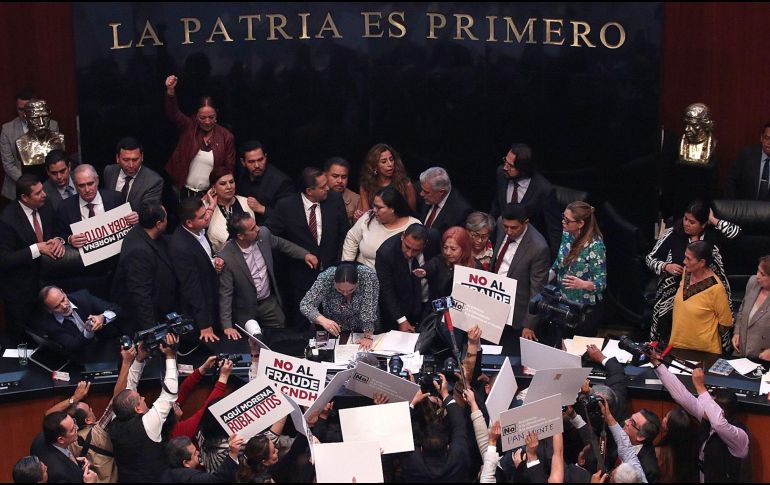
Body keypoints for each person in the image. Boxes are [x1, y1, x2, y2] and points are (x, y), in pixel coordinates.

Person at [646, 200, 740, 342]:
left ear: (703, 224)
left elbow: (737, 234)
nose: (686, 224)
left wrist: (713, 220)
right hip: (673, 295)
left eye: (692, 222)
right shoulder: (672, 233)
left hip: (707, 293)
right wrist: (666, 266)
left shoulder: (712, 236)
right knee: (666, 336)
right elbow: (650, 258)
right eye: (685, 219)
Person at [266, 167, 349, 328]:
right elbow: (268, 234)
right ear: (309, 191)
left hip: (333, 276)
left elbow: (344, 234)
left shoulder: (335, 199)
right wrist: (298, 253)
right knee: (303, 326)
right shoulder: (286, 206)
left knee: (333, 325)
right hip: (301, 279)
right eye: (322, 186)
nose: (328, 188)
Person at [218, 212, 317, 340]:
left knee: (280, 333)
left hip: (268, 302)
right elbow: (225, 293)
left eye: (256, 225)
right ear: (240, 236)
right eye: (252, 229)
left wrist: (304, 254)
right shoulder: (227, 257)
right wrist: (227, 326)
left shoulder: (263, 234)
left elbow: (281, 244)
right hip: (245, 309)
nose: (257, 229)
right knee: (252, 342)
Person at [652, 358, 751, 482]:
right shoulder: (707, 418)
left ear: (721, 412)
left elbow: (719, 424)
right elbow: (681, 395)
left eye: (710, 404)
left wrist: (700, 386)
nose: (704, 405)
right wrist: (657, 364)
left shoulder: (739, 437)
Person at [0, 174, 65, 336]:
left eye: (42, 190)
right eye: (38, 193)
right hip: (21, 292)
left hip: (49, 284)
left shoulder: (45, 204)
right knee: (24, 338)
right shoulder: (7, 219)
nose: (44, 194)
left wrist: (58, 240)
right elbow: (5, 259)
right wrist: (37, 248)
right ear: (24, 197)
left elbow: (56, 230)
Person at [109, 334, 179, 483]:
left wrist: (139, 360)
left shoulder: (115, 421)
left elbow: (128, 389)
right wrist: (170, 356)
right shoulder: (148, 424)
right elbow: (169, 394)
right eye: (140, 399)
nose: (144, 398)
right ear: (138, 409)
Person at [163, 75, 235, 198]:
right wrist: (170, 91)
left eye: (211, 117)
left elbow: (228, 169)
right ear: (196, 116)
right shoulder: (189, 127)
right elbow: (173, 113)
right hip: (182, 191)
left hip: (209, 195)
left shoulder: (226, 137)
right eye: (202, 117)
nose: (207, 121)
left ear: (217, 114)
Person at [111, 201, 177, 334]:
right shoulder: (139, 252)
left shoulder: (142, 232)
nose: (167, 221)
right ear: (158, 224)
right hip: (143, 321)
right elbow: (141, 296)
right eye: (165, 218)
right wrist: (153, 332)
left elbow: (167, 241)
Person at [491, 204, 550, 351]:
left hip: (516, 311)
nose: (509, 231)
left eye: (514, 228)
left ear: (526, 223)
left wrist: (529, 325)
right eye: (506, 227)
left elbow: (538, 290)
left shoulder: (538, 247)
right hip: (493, 303)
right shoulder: (500, 223)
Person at [169, 197, 222, 342]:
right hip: (199, 316)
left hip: (213, 300)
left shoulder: (199, 230)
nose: (208, 217)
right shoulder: (181, 247)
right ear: (189, 223)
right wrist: (205, 324)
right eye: (202, 216)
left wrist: (214, 260)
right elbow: (192, 288)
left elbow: (205, 256)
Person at [551, 201, 607, 336]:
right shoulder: (567, 234)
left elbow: (601, 284)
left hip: (584, 309)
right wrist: (546, 276)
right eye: (563, 217)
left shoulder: (595, 246)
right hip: (564, 302)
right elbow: (559, 262)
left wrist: (582, 284)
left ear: (580, 223)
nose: (563, 222)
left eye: (567, 220)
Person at [490, 143, 560, 250]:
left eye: (511, 166)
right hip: (501, 241)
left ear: (523, 169)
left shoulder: (544, 190)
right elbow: (496, 207)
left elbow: (554, 230)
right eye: (505, 161)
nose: (505, 167)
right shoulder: (501, 174)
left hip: (527, 248)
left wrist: (555, 259)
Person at [669, 240, 733, 354]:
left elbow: (725, 322)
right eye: (685, 257)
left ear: (702, 262)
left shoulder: (716, 288)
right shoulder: (687, 272)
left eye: (688, 259)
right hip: (677, 345)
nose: (684, 261)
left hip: (704, 351)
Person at [300, 263, 379, 350]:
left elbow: (368, 309)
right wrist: (323, 321)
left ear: (357, 283)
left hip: (361, 328)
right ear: (334, 282)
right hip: (334, 328)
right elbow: (306, 304)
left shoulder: (368, 277)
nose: (345, 294)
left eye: (351, 290)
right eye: (340, 290)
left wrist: (367, 336)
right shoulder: (326, 277)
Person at [56, 164, 138, 248]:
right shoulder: (65, 207)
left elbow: (130, 228)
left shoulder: (116, 198)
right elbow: (59, 235)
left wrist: (134, 219)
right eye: (81, 185)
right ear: (76, 186)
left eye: (90, 184)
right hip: (84, 254)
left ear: (97, 180)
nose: (87, 190)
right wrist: (70, 239)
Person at [375, 223, 437, 333]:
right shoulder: (385, 253)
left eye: (416, 250)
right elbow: (387, 290)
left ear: (425, 244)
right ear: (403, 237)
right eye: (407, 247)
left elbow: (438, 261)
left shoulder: (434, 239)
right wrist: (401, 320)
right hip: (397, 310)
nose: (409, 253)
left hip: (426, 306)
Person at [342, 186, 420, 269]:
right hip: (362, 273)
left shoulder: (413, 226)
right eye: (374, 206)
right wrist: (346, 266)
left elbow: (420, 258)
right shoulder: (368, 217)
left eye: (379, 207)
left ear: (393, 209)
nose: (374, 210)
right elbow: (352, 238)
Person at [2, 90, 59, 201]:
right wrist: (30, 184)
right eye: (21, 109)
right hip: (18, 189)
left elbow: (55, 156)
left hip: (48, 185)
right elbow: (8, 164)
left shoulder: (52, 125)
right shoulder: (7, 130)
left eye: (28, 109)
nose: (25, 114)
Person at [35, 286, 117, 354]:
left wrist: (102, 317)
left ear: (63, 292)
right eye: (57, 307)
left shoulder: (83, 297)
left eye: (63, 299)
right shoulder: (49, 325)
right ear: (49, 310)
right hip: (83, 355)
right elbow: (72, 345)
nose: (64, 306)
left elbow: (116, 309)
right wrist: (88, 330)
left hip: (109, 342)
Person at [598, 400, 659, 483]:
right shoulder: (622, 433)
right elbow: (624, 447)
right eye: (630, 418)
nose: (626, 421)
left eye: (632, 422)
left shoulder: (649, 470)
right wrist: (608, 416)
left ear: (641, 437)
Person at [235, 140, 294, 225]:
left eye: (260, 160)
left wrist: (262, 209)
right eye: (251, 162)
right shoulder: (240, 174)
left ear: (265, 157)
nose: (257, 165)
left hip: (270, 228)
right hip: (244, 225)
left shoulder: (281, 182)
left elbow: (289, 216)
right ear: (243, 162)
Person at [415, 226, 480, 301]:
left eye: (453, 249)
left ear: (464, 248)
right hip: (437, 306)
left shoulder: (476, 267)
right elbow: (430, 266)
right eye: (445, 247)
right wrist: (424, 271)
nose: (447, 252)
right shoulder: (439, 260)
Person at [355, 143, 417, 220]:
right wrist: (360, 215)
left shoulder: (405, 184)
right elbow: (367, 214)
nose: (390, 164)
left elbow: (412, 214)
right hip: (376, 224)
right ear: (375, 166)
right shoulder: (366, 185)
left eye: (391, 159)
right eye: (384, 161)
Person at [102, 137, 163, 208]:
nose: (131, 165)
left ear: (142, 157)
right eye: (126, 160)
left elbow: (148, 211)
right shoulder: (109, 171)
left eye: (135, 160)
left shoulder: (154, 181)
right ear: (117, 158)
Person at [206, 166, 254, 254]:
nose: (229, 187)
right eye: (223, 184)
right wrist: (212, 205)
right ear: (213, 188)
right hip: (222, 258)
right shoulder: (206, 208)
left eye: (231, 182)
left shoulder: (246, 203)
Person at [31, 411, 88, 483]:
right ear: (61, 440)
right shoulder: (60, 475)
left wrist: (77, 463)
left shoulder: (41, 437)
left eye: (74, 422)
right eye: (72, 429)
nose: (77, 427)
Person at [162, 434, 243, 483]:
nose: (198, 453)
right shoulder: (188, 477)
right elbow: (218, 480)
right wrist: (233, 453)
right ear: (186, 463)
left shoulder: (169, 471)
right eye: (194, 454)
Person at [418, 166, 473, 237]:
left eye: (426, 192)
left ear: (441, 192)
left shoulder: (460, 212)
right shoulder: (427, 190)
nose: (421, 194)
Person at [733, 255, 770, 359]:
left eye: (762, 274)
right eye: (758, 270)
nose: (757, 276)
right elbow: (742, 309)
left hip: (762, 357)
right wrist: (737, 332)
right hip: (741, 352)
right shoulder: (753, 282)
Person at [14, 99, 65, 168]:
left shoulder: (60, 139)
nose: (41, 123)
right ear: (26, 119)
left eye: (45, 117)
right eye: (35, 118)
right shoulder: (20, 143)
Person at [725, 122, 770, 200]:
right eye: (767, 138)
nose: (769, 142)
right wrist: (734, 205)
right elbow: (730, 181)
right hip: (744, 206)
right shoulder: (747, 155)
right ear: (761, 138)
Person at [655, 406, 701, 483]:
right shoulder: (692, 448)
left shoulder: (660, 452)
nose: (664, 419)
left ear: (670, 426)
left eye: (666, 417)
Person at [679, 102, 716, 166]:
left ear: (705, 125)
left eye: (693, 125)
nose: (686, 129)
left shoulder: (713, 144)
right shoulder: (680, 142)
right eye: (686, 124)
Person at [325, 156, 360, 224]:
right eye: (335, 176)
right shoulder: (317, 195)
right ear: (325, 175)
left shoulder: (356, 199)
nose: (340, 181)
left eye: (344, 177)